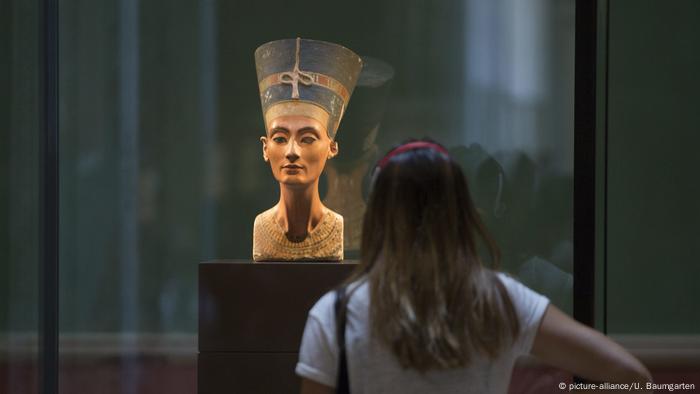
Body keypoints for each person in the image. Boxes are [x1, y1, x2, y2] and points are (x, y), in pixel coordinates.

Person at [296, 140, 652, 393]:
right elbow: (630, 375)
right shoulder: (500, 298)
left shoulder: (335, 314)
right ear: (460, 214)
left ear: (378, 218)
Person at [252, 37, 363, 261]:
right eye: (280, 138)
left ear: (331, 148)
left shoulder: (337, 225)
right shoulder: (260, 226)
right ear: (265, 148)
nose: (292, 151)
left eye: (308, 139)